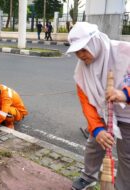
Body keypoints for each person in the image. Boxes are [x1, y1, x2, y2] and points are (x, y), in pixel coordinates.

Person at [67, 22, 130, 190]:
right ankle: (88, 177)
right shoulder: (81, 71)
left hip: (128, 115)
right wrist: (97, 129)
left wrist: (125, 94)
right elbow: (87, 103)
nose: (80, 55)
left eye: (83, 49)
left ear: (95, 42)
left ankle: (123, 186)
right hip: (103, 113)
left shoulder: (125, 52)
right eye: (76, 52)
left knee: (127, 156)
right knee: (94, 145)